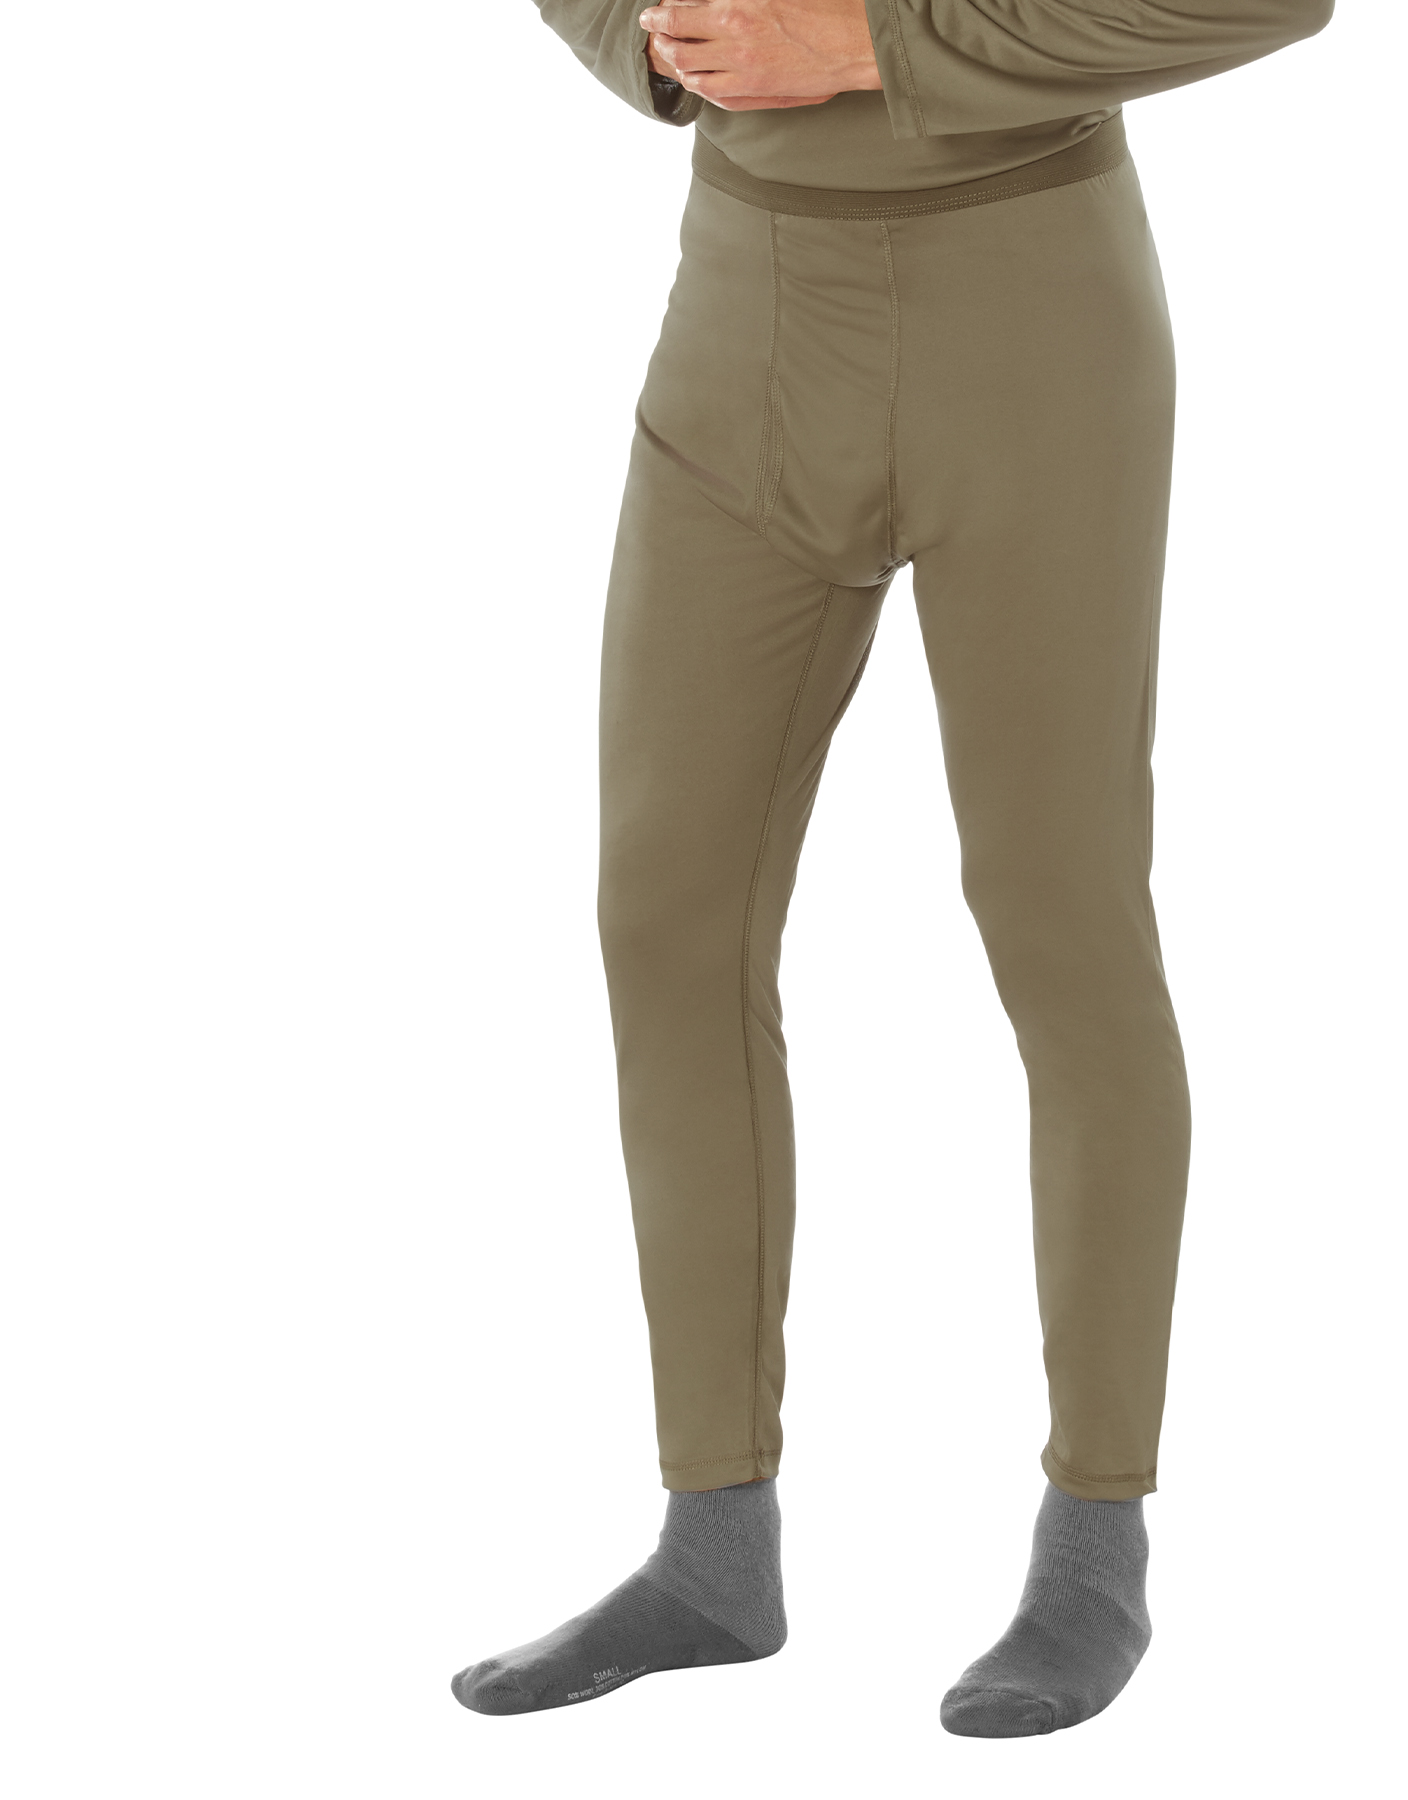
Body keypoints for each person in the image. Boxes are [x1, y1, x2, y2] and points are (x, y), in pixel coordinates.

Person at [450, 0, 1331, 1737]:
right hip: (746, 308)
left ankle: (1094, 1551)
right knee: (666, 912)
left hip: (1031, 315)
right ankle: (715, 1548)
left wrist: (870, 46)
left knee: (1061, 919)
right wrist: (654, 42)